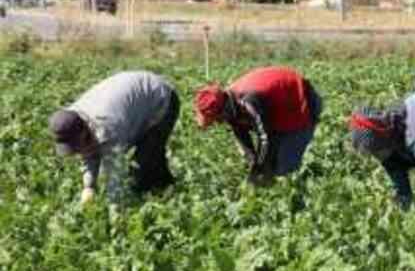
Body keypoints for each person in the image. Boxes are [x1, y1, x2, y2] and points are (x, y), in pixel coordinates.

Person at [49, 70, 179, 204]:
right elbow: (86, 151)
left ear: (84, 132)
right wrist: (89, 186)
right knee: (151, 159)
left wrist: (115, 210)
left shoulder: (108, 125)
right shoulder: (72, 119)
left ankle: (157, 199)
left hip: (162, 99)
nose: (77, 150)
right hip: (137, 98)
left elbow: (115, 172)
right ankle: (169, 189)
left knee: (141, 167)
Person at [193, 66, 322, 186]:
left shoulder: (249, 100)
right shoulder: (229, 103)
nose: (217, 123)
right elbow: (241, 134)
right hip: (278, 111)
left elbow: (265, 137)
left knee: (285, 169)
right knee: (269, 167)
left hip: (301, 101)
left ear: (223, 110)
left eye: (216, 119)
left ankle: (306, 192)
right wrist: (253, 163)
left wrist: (258, 169)